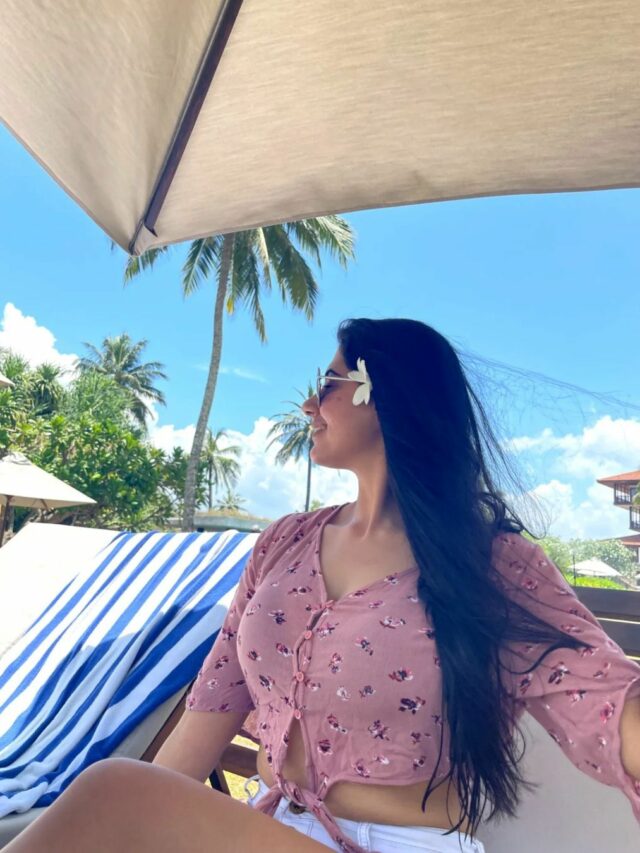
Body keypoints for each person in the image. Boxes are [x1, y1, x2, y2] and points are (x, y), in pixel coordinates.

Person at [5, 317, 640, 853]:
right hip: (268, 826)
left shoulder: (493, 564)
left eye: (327, 384)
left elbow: (604, 703)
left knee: (112, 789)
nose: (308, 406)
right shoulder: (282, 544)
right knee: (118, 798)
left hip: (404, 844)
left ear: (385, 394)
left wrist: (131, 807)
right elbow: (207, 716)